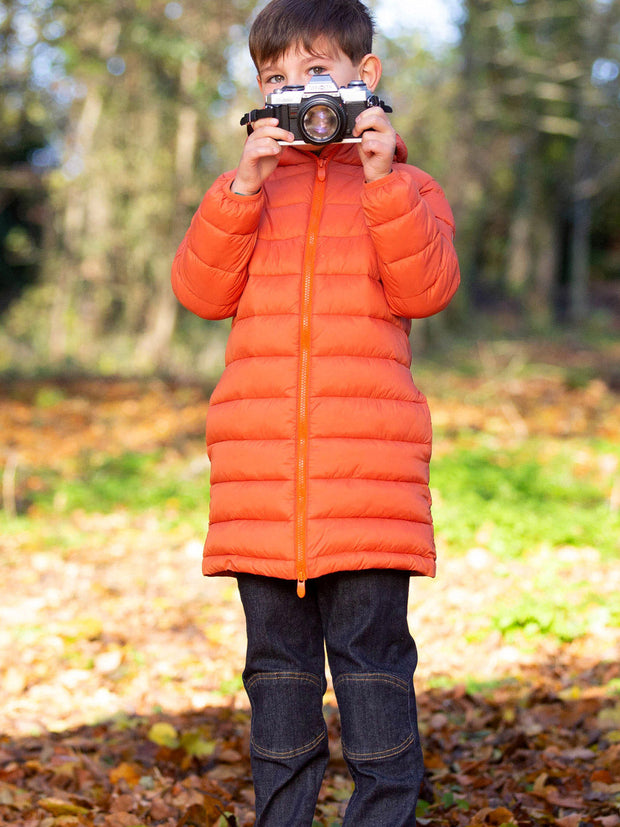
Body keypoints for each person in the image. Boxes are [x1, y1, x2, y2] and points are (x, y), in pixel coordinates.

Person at [171, 0, 460, 823]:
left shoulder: (409, 186)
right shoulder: (249, 191)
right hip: (262, 487)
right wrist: (242, 185)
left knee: (373, 668)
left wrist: (382, 181)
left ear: (365, 79)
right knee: (276, 674)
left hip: (367, 481)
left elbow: (427, 289)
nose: (301, 94)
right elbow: (200, 292)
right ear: (258, 96)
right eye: (277, 80)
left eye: (318, 75)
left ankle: (383, 814)